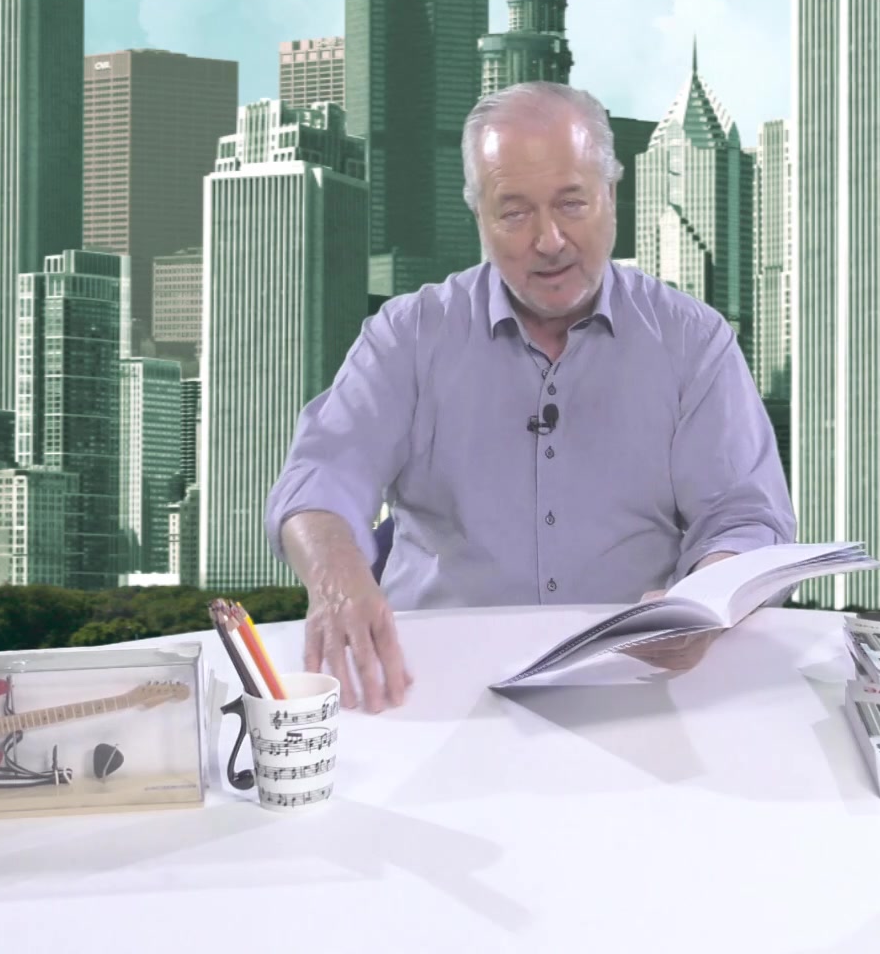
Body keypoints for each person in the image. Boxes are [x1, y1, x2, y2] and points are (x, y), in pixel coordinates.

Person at [265, 81, 794, 713]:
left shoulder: (692, 340)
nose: (549, 241)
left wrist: (703, 601)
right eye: (514, 212)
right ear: (479, 216)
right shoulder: (408, 335)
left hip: (636, 686)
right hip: (430, 689)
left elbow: (744, 517)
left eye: (572, 203)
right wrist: (337, 577)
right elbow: (320, 479)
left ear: (611, 194)